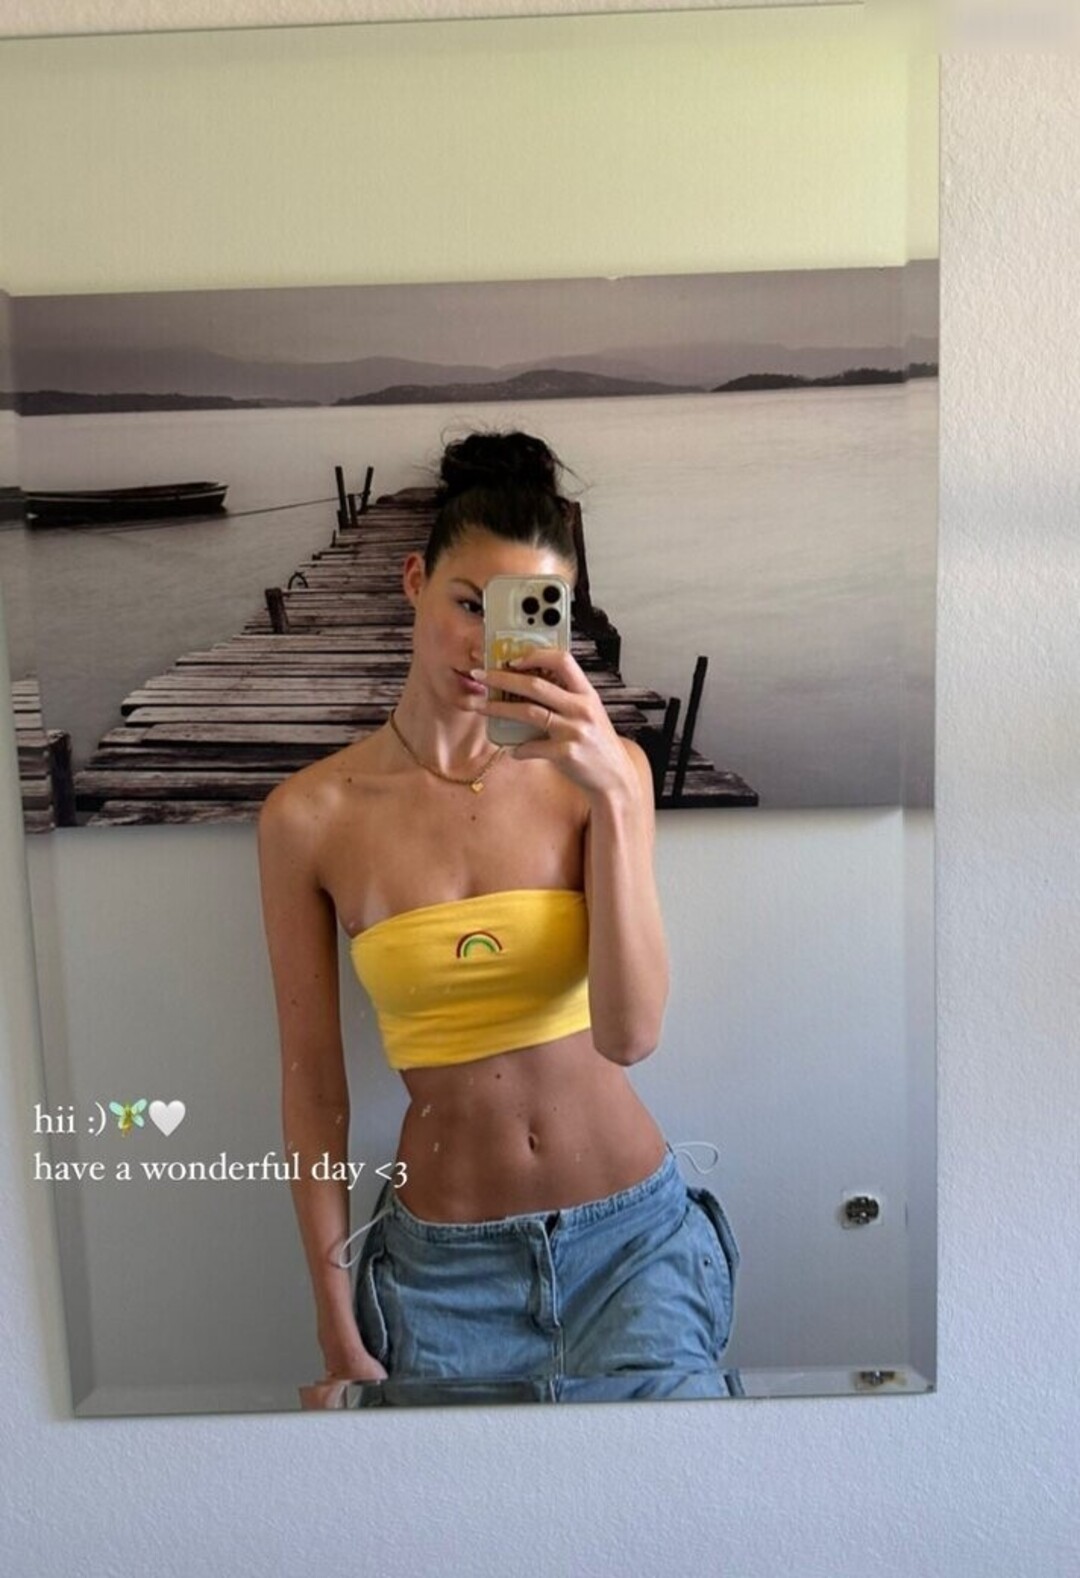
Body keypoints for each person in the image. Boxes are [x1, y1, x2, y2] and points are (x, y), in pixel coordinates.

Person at [257, 430, 738, 1403]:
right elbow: (313, 1088)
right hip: (442, 1274)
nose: (485, 645)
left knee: (674, 1494)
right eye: (469, 603)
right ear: (414, 582)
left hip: (633, 1248)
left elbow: (632, 1035)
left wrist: (616, 795)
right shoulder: (309, 818)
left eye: (526, 612)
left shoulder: (602, 778)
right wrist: (331, 1313)